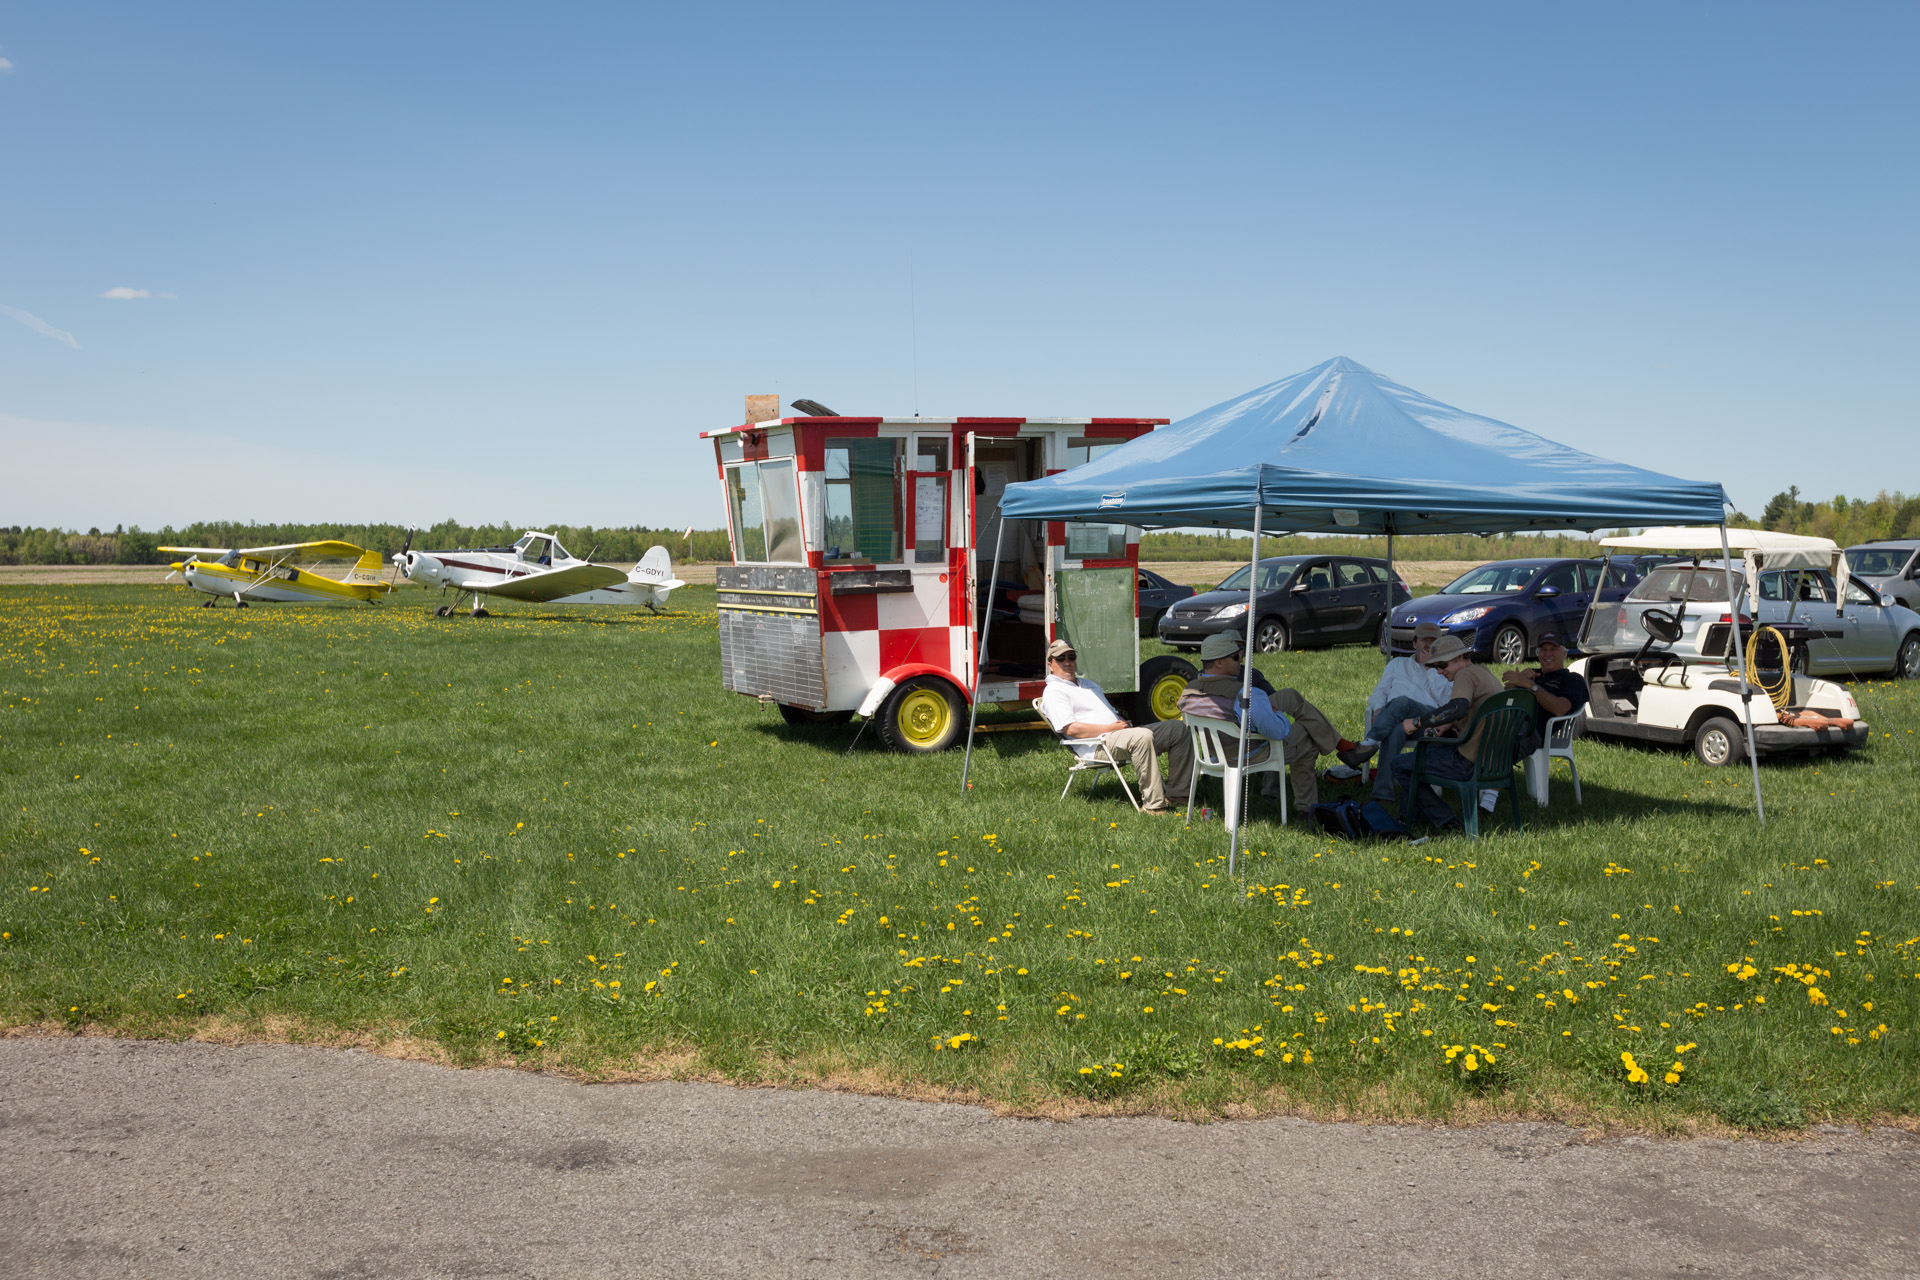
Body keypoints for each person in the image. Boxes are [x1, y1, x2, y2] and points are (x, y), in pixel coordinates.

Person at [1178, 632, 1365, 812]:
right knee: (1308, 737)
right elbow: (1278, 732)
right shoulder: (1246, 695)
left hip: (1214, 752)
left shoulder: (1190, 689)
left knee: (1289, 696)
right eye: (1235, 657)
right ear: (1219, 663)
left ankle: (1344, 747)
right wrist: (1277, 714)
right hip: (1248, 753)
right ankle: (1305, 807)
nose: (1241, 660)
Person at [1038, 638, 1187, 814]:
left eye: (1071, 656)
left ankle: (1179, 795)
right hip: (1097, 745)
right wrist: (1110, 729)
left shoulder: (1088, 685)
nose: (1068, 662)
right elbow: (1070, 729)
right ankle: (1154, 806)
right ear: (1050, 665)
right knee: (1141, 736)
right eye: (1061, 659)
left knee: (1178, 729)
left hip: (1120, 735)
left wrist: (1123, 723)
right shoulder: (1054, 692)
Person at [1384, 633, 1505, 831]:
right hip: (1493, 760)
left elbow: (1457, 707)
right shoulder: (1484, 673)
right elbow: (1475, 711)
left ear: (1459, 658)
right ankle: (1408, 820)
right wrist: (1449, 725)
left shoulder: (1465, 675)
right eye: (1435, 666)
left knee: (1400, 765)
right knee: (1420, 756)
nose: (1439, 671)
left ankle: (1446, 821)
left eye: (1442, 665)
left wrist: (1417, 722)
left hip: (1469, 762)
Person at [1353, 622, 1455, 799]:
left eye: (1434, 641)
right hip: (1396, 720)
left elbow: (1445, 701)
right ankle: (1383, 794)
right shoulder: (1397, 664)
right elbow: (1380, 692)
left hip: (1428, 721)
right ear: (1415, 643)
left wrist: (1430, 668)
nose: (1429, 645)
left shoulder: (1444, 670)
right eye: (1425, 640)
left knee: (1403, 702)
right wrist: (1378, 710)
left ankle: (1369, 743)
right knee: (1395, 729)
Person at [1500, 631, 1588, 757]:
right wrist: (1515, 683)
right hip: (1507, 721)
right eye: (1543, 649)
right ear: (1538, 653)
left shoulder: (1572, 679)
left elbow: (1560, 709)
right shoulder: (1530, 674)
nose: (1548, 654)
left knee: (1493, 743)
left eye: (1553, 649)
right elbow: (1502, 700)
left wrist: (1531, 686)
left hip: (1531, 732)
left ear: (1564, 653)